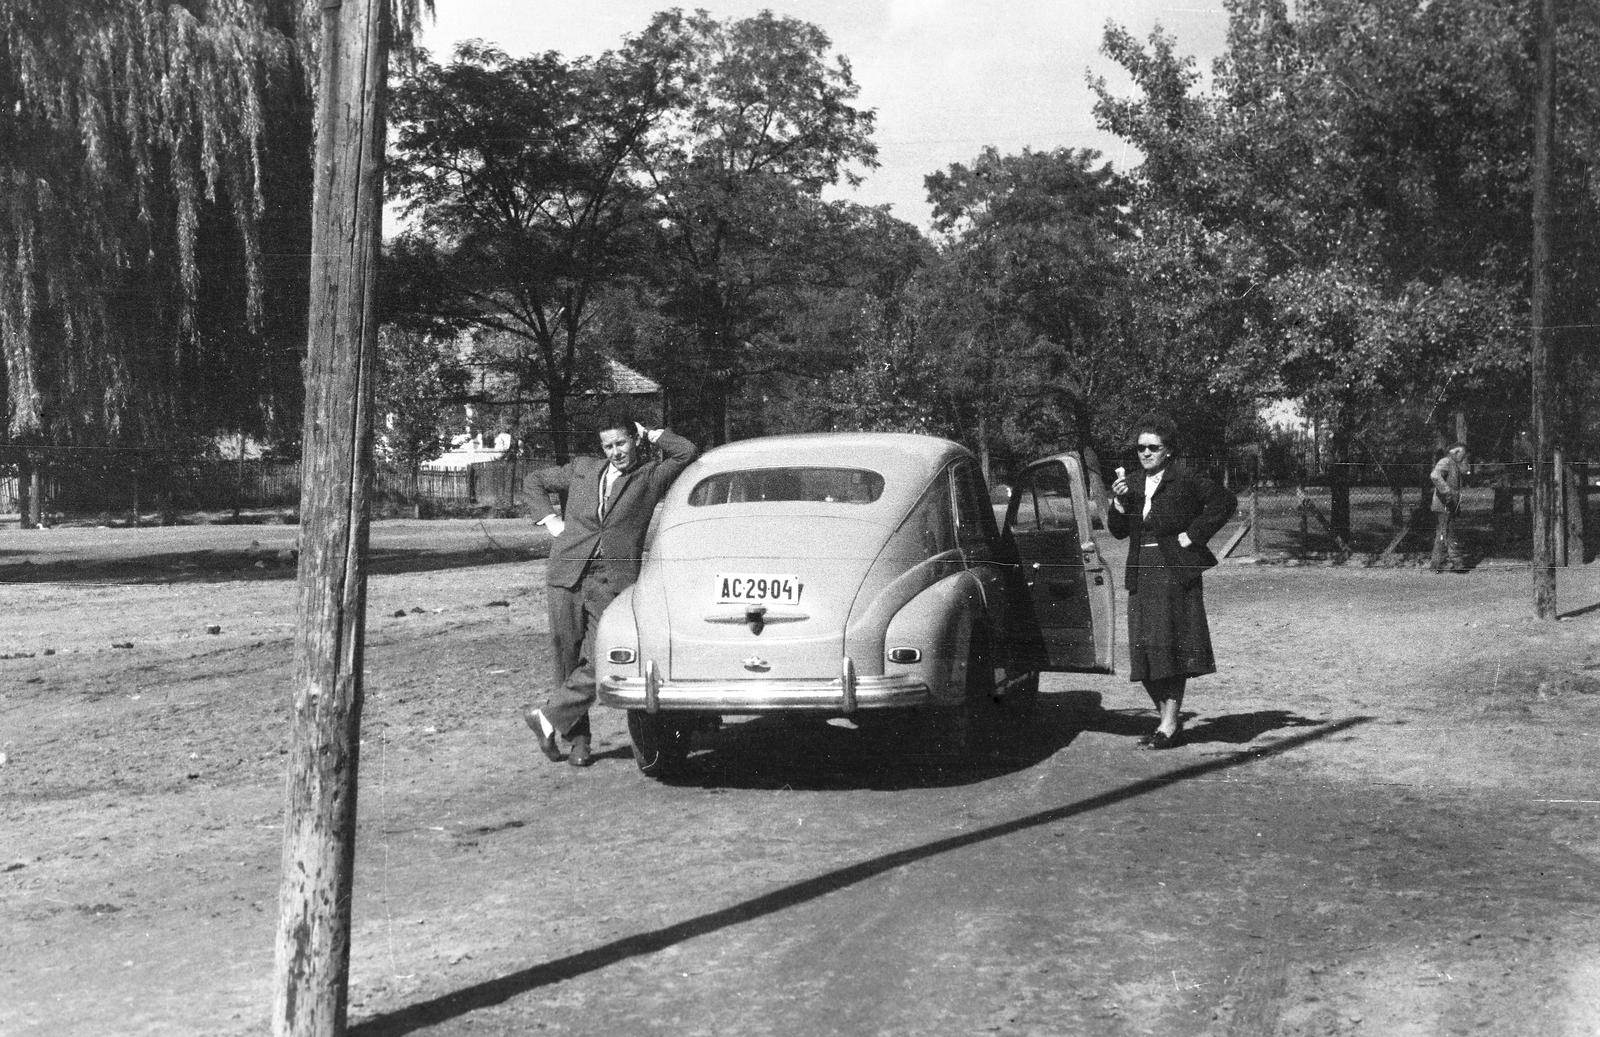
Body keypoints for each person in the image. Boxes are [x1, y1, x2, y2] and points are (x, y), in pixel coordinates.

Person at [521, 407, 697, 766]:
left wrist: (651, 433)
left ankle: (547, 717)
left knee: (606, 658)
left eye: (621, 443)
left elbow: (687, 452)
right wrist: (551, 519)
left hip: (612, 579)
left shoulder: (650, 476)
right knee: (565, 658)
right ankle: (579, 741)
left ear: (633, 441)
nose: (615, 452)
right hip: (567, 572)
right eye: (608, 446)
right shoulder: (582, 469)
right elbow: (534, 481)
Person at [1107, 413, 1237, 750]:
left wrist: (1193, 535)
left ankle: (1167, 723)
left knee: (1171, 647)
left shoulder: (1185, 478)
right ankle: (1167, 718)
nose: (1146, 453)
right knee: (1145, 649)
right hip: (1141, 570)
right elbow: (1119, 532)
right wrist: (1119, 504)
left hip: (1174, 571)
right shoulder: (1132, 483)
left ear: (1168, 451)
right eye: (1140, 448)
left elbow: (1225, 502)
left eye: (1153, 447)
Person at [1430, 442, 1469, 573]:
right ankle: (1456, 564)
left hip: (1449, 505)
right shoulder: (1446, 461)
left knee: (1445, 533)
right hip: (1444, 505)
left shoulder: (1452, 464)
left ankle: (1440, 564)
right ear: (1455, 452)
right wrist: (1446, 491)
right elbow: (1435, 475)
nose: (1462, 458)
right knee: (1446, 534)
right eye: (1462, 455)